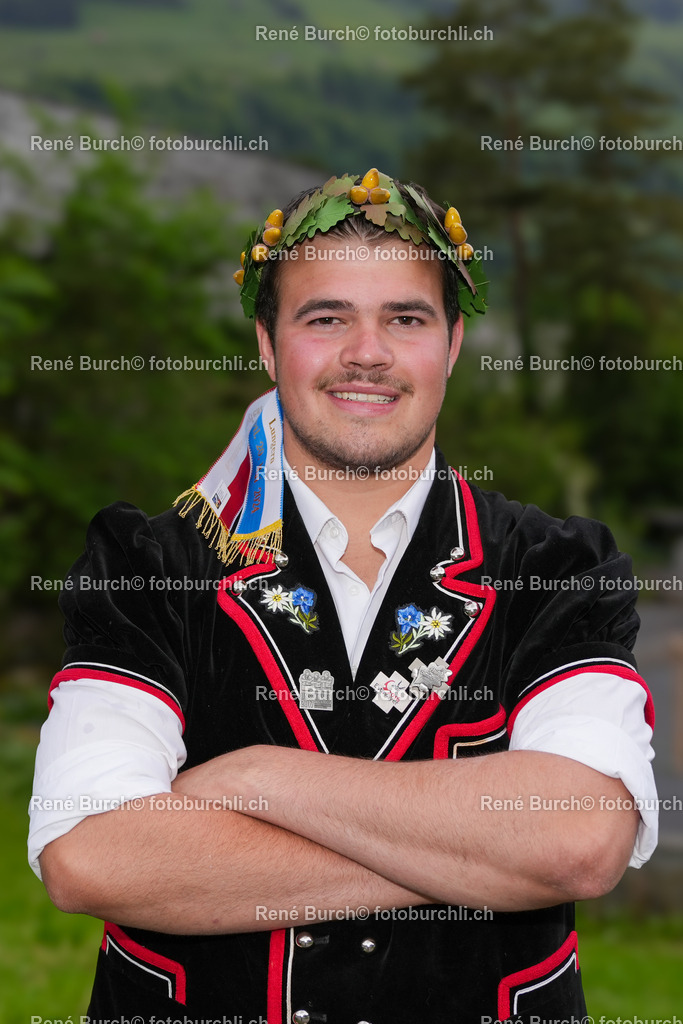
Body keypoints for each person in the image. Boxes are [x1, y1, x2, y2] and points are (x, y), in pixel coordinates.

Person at [29, 169, 657, 1023]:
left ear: (454, 343)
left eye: (405, 318)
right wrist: (478, 860)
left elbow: (575, 841)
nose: (368, 352)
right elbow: (89, 853)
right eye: (326, 319)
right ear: (266, 342)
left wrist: (252, 780)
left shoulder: (554, 567)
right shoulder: (148, 563)